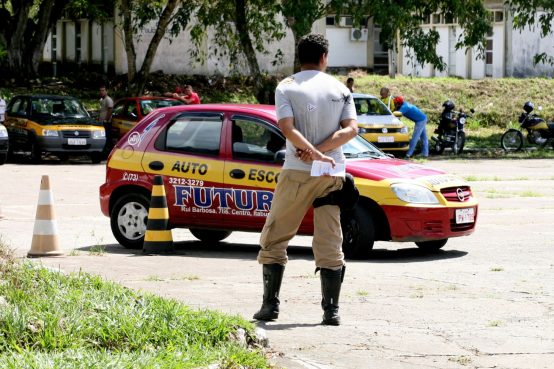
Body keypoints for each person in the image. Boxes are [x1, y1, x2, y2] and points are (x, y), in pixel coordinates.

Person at [253, 33, 358, 326]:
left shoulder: (286, 87)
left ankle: (270, 306)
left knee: (275, 237)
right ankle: (331, 311)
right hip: (332, 174)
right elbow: (351, 130)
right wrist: (322, 153)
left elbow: (287, 127)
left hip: (297, 172)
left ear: (299, 57)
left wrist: (309, 153)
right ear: (325, 57)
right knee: (329, 239)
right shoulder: (340, 89)